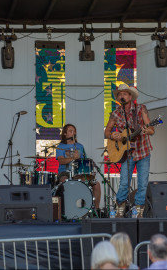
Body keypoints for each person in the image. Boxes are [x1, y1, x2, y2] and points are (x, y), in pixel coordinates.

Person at [104, 84, 155, 218]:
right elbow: (107, 132)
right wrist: (112, 135)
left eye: (125, 94)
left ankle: (138, 211)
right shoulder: (115, 114)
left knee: (142, 183)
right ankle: (120, 209)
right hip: (126, 153)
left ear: (130, 96)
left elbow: (151, 130)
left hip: (142, 151)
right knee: (124, 183)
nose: (122, 96)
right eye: (120, 94)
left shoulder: (140, 109)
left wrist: (146, 130)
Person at [56, 124, 101, 210]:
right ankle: (67, 209)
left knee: (96, 184)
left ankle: (97, 210)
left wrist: (90, 171)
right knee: (65, 181)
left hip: (79, 172)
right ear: (65, 133)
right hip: (65, 171)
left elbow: (84, 161)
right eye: (70, 131)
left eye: (74, 131)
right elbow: (61, 161)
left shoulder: (80, 146)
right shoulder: (60, 147)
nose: (73, 133)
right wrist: (73, 158)